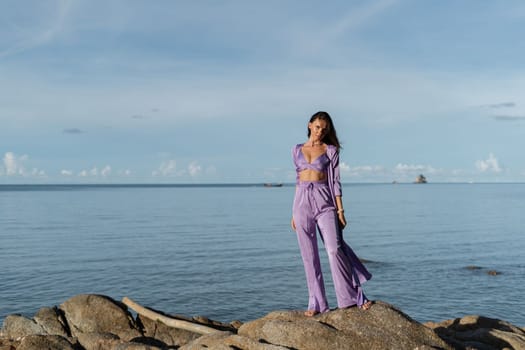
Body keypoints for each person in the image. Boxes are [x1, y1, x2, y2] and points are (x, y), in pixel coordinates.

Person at [291, 111, 372, 316]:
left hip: (325, 201)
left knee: (335, 249)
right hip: (302, 203)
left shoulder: (330, 150)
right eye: (318, 127)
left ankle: (351, 297)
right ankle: (317, 303)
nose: (320, 131)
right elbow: (298, 181)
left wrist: (340, 210)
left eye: (324, 129)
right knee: (309, 256)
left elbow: (335, 182)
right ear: (310, 125)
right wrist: (293, 212)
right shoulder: (296, 149)